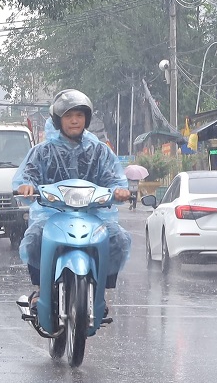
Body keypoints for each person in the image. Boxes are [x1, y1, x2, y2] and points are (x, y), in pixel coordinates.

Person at [13, 89, 132, 306]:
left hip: (94, 215)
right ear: (58, 120)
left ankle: (101, 290)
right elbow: (28, 175)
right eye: (68, 116)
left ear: (87, 119)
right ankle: (40, 288)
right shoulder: (42, 151)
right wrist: (26, 186)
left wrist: (119, 191)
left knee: (118, 239)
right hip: (52, 215)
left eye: (79, 115)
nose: (74, 121)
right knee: (34, 239)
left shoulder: (99, 151)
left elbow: (113, 178)